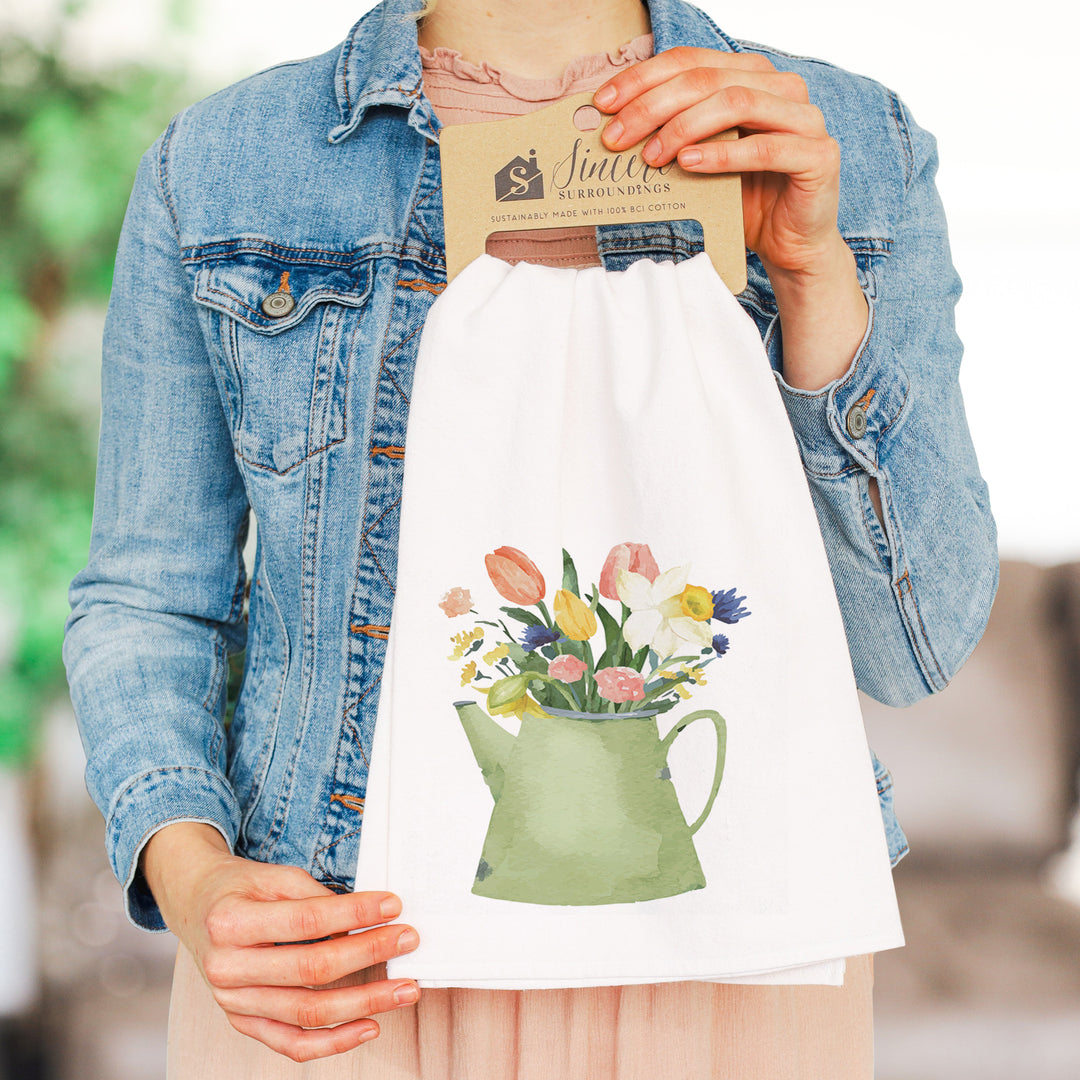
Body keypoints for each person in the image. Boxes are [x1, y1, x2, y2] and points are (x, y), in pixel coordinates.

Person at [63, 0, 997, 1075]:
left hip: (738, 962)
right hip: (334, 961)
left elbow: (913, 649)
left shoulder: (850, 145)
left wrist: (814, 272)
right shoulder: (225, 166)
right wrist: (191, 873)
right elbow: (149, 597)